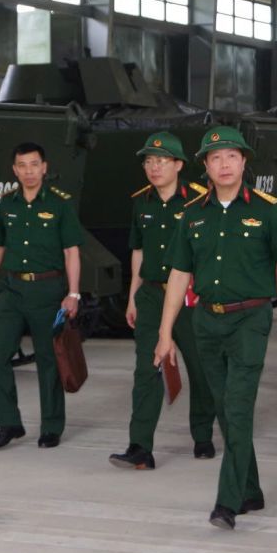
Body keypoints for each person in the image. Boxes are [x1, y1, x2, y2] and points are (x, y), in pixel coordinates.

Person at [154, 126, 277, 531]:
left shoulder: (268, 213)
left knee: (236, 408)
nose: (224, 164)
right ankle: (251, 490)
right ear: (205, 166)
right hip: (205, 322)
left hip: (250, 321)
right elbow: (178, 276)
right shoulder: (193, 214)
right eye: (215, 158)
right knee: (224, 410)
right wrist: (165, 334)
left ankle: (227, 503)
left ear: (244, 161)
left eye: (231, 156)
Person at [109, 132, 214, 471]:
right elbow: (138, 252)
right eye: (149, 161)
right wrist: (132, 297)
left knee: (200, 367)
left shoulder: (200, 200)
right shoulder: (142, 202)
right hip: (152, 294)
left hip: (191, 296)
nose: (154, 167)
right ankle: (140, 446)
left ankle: (203, 435)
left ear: (179, 165)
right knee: (147, 368)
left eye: (162, 161)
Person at [0, 142, 83, 450]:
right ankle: (8, 422)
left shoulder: (60, 204)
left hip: (47, 290)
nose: (29, 171)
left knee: (49, 360)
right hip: (11, 290)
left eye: (34, 165)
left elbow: (71, 251)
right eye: (22, 166)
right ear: (15, 170)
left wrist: (73, 293)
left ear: (44, 167)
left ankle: (51, 426)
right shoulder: (6, 203)